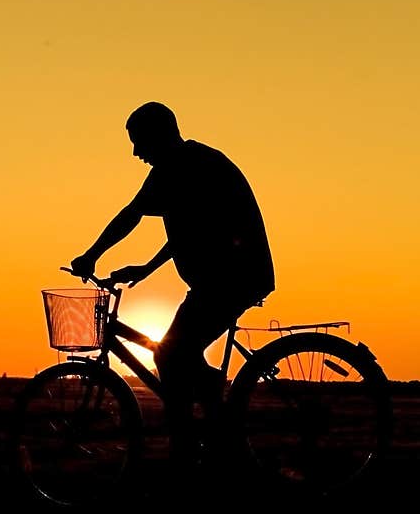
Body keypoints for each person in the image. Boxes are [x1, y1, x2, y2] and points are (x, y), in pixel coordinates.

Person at [71, 101, 275, 466]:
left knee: (169, 354)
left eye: (138, 142)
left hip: (232, 277)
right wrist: (147, 268)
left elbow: (131, 215)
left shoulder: (181, 166)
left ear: (158, 135)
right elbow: (194, 230)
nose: (135, 153)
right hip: (222, 277)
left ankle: (190, 447)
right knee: (178, 355)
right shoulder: (189, 163)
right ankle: (207, 437)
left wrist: (91, 255)